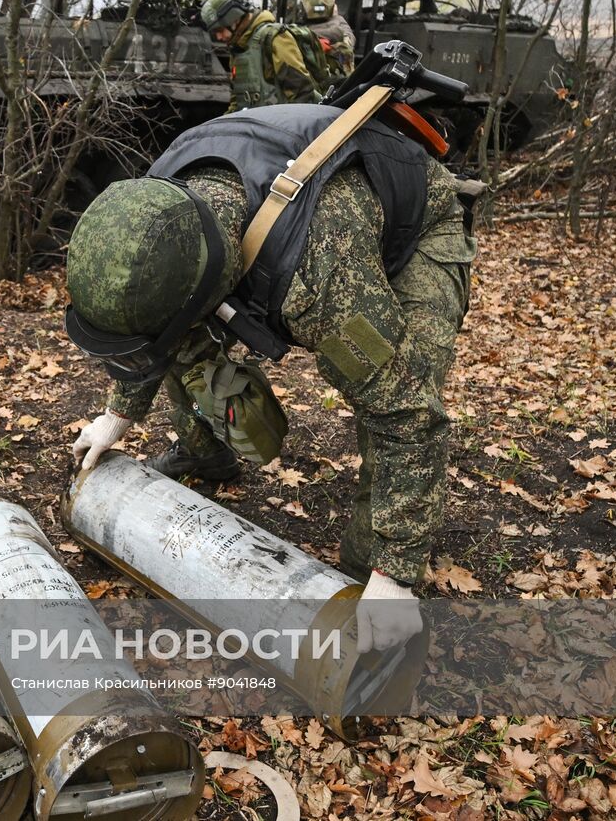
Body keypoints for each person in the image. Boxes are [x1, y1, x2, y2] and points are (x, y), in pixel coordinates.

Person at [64, 102, 476, 652]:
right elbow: (153, 325)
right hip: (301, 211)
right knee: (182, 342)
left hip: (417, 220)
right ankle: (206, 454)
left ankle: (367, 570)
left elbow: (407, 414)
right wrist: (119, 413)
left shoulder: (318, 278)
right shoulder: (155, 212)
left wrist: (394, 572)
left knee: (396, 388)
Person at [200, 0, 329, 113]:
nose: (219, 37)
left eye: (220, 30)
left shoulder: (275, 38)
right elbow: (238, 100)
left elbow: (302, 94)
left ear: (234, 20)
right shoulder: (239, 48)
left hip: (282, 122)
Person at [298, 0, 356, 82]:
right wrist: (335, 16)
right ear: (332, 8)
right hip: (340, 86)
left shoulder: (299, 32)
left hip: (309, 85)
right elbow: (349, 37)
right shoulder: (339, 27)